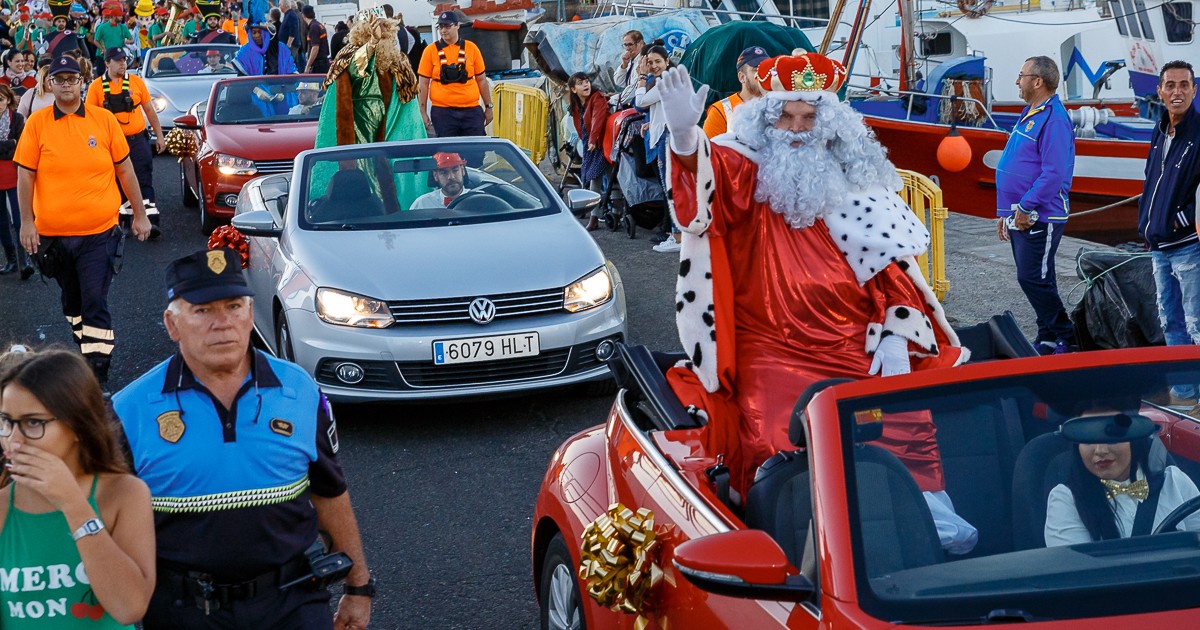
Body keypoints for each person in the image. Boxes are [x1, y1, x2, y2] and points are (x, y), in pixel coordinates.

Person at [656, 54, 970, 504]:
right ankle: (804, 538)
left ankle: (911, 529)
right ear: (764, 120)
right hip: (770, 346)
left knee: (901, 428)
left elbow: (895, 271)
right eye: (785, 116)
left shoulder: (854, 175)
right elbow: (703, 188)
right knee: (777, 441)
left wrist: (898, 336)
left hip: (853, 343)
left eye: (809, 117)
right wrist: (685, 135)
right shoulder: (744, 167)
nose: (799, 129)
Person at [112, 249, 374, 629]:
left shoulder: (299, 390)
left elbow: (330, 493)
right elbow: (105, 518)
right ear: (172, 325)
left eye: (234, 307)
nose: (223, 324)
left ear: (250, 314)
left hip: (292, 602)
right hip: (182, 611)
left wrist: (358, 586)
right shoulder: (130, 409)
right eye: (203, 311)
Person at [14, 55, 151, 386]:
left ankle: (97, 371)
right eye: (59, 79)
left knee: (94, 300)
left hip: (98, 233)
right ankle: (87, 345)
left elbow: (125, 169)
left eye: (71, 79)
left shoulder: (103, 120)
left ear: (82, 82)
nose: (65, 85)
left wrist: (141, 214)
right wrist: (26, 223)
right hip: (53, 237)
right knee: (72, 303)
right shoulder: (37, 123)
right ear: (50, 83)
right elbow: (25, 176)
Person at [0, 348, 156, 627]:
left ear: (77, 426)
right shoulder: (2, 508)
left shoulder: (125, 494)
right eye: (6, 422)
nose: (14, 441)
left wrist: (73, 504)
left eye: (33, 422)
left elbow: (129, 607)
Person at [995, 56, 1076, 355]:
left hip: (1041, 214)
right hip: (1021, 212)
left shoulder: (1053, 119)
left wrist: (1025, 206)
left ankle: (1067, 336)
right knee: (1040, 277)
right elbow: (1016, 163)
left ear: (1038, 81)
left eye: (1021, 75)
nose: (1018, 81)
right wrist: (1005, 213)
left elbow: (1053, 173)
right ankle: (1048, 338)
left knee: (1031, 277)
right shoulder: (1032, 112)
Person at [1139, 60, 1200, 410]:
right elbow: (1151, 181)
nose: (1177, 91)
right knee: (1170, 321)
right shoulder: (1160, 130)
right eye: (1170, 85)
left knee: (1196, 324)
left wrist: (1181, 219)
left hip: (1187, 246)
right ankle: (1183, 395)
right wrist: (1148, 220)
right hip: (1159, 245)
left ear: (1194, 90)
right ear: (1160, 91)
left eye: (1184, 85)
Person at [1045, 411, 1200, 545]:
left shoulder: (1174, 480)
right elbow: (1078, 574)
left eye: (1111, 435)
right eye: (1088, 439)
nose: (1100, 450)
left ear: (1135, 435)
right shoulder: (1066, 500)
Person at [86, 47, 165, 239]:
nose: (123, 64)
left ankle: (150, 221)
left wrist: (159, 135)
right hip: (110, 143)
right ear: (107, 63)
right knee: (116, 182)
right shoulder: (96, 87)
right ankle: (124, 221)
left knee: (144, 177)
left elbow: (149, 110)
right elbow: (89, 118)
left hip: (137, 139)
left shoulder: (136, 82)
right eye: (117, 60)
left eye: (124, 60)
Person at [315, 10, 424, 148]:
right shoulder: (348, 54)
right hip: (359, 127)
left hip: (392, 125)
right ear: (364, 30)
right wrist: (372, 43)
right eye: (377, 25)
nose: (383, 30)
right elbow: (356, 67)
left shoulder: (398, 59)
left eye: (385, 25)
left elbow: (409, 102)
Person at [416, 11, 491, 139]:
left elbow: (482, 80)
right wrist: (422, 112)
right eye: (440, 27)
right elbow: (423, 83)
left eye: (447, 26)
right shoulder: (430, 51)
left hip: (471, 111)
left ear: (457, 25)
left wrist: (489, 106)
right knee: (448, 155)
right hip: (443, 112)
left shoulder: (471, 48)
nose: (443, 30)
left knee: (476, 152)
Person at [566, 72, 610, 231]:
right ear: (573, 89)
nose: (585, 85)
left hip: (601, 143)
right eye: (580, 83)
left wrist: (592, 139)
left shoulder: (597, 97)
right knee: (598, 177)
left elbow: (599, 118)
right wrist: (588, 141)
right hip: (589, 144)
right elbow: (580, 127)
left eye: (586, 81)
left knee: (596, 177)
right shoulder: (577, 105)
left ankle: (595, 217)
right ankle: (603, 214)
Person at [703, 46, 767, 139]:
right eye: (756, 70)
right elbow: (707, 151)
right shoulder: (720, 110)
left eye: (766, 69)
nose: (763, 75)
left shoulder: (776, 105)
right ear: (741, 77)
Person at [0, 84, 30, 279]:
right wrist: (8, 144)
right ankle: (11, 259)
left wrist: (11, 145)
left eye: (1, 100)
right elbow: (12, 145)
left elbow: (21, 146)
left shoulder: (17, 119)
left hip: (14, 173)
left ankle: (24, 261)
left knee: (19, 220)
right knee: (1, 221)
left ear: (8, 100)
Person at [613, 29, 644, 93]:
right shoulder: (630, 60)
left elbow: (633, 89)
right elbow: (619, 82)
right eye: (625, 45)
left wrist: (615, 99)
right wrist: (624, 65)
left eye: (630, 44)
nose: (627, 48)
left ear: (640, 43)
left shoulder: (642, 62)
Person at [300, 5, 329, 74]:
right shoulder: (319, 25)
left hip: (318, 64)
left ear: (303, 15)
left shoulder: (313, 27)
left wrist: (308, 65)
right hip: (323, 62)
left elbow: (315, 48)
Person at [278, 0, 302, 66]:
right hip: (286, 45)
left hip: (291, 46)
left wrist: (289, 44)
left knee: (289, 63)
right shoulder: (287, 14)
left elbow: (293, 30)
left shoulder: (291, 15)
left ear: (284, 5)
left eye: (280, 5)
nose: (279, 7)